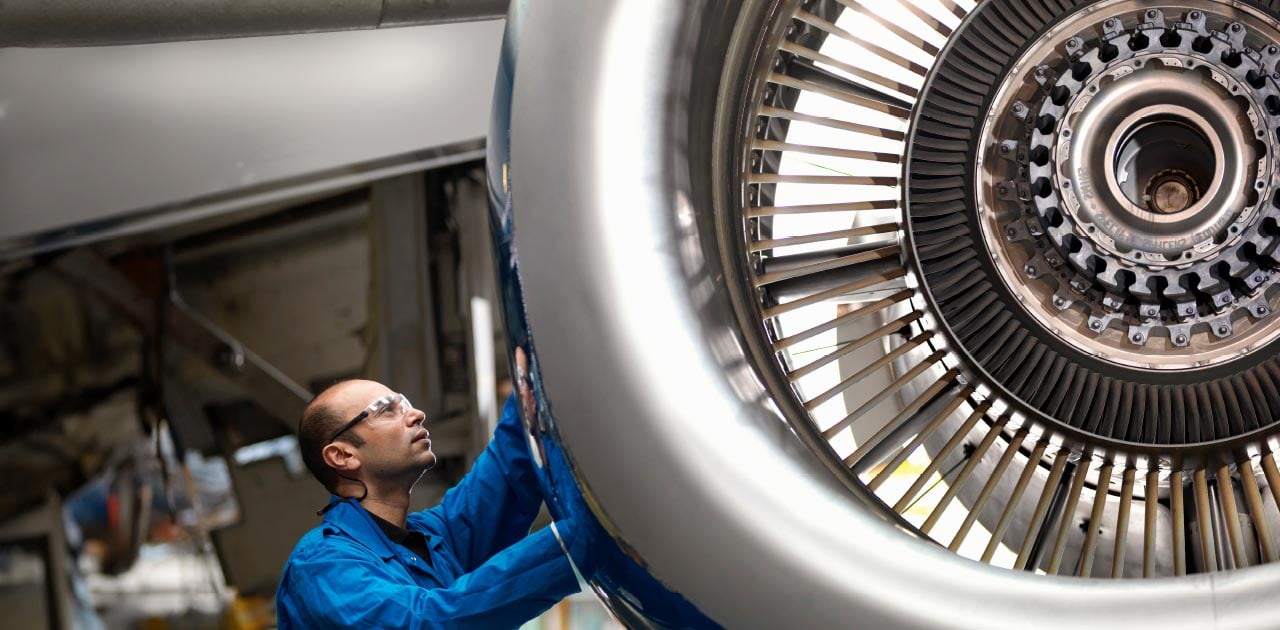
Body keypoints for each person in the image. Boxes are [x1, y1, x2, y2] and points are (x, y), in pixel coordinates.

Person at [275, 379, 588, 628]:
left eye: (406, 404)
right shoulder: (321, 565)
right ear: (343, 456)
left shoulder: (434, 538)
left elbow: (507, 471)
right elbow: (426, 623)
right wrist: (582, 541)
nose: (416, 414)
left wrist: (534, 373)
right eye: (386, 409)